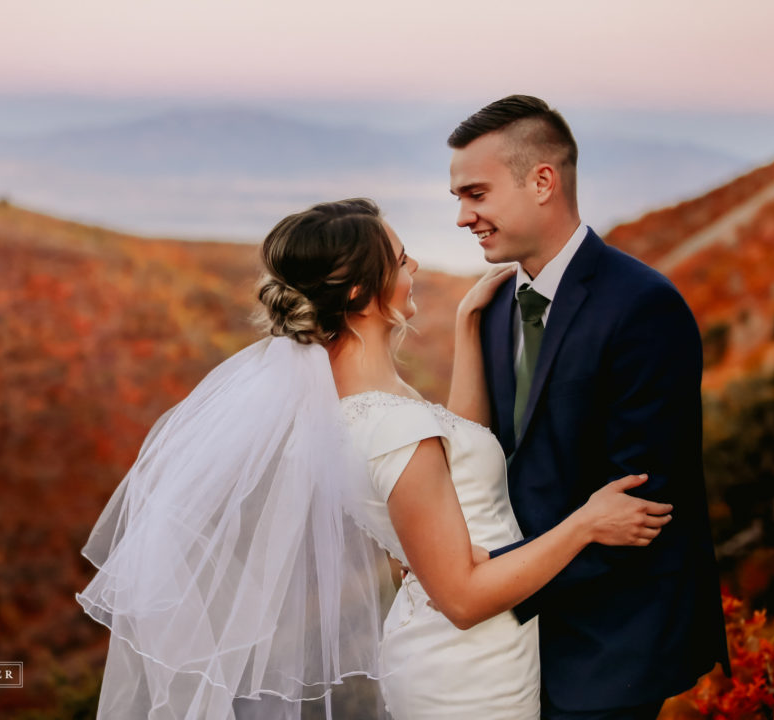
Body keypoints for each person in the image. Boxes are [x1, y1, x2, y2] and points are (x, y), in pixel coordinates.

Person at [78, 198, 674, 719]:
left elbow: (452, 451)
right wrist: (587, 523)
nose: (413, 266)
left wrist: (469, 324)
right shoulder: (395, 427)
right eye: (399, 259)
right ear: (362, 292)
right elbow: (463, 599)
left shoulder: (357, 403)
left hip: (458, 645)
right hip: (469, 668)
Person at [448, 95, 730, 720]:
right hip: (510, 635)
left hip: (610, 644)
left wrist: (492, 581)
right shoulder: (493, 307)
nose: (464, 217)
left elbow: (643, 504)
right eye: (458, 200)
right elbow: (491, 455)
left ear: (542, 180)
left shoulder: (643, 307)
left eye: (476, 193)